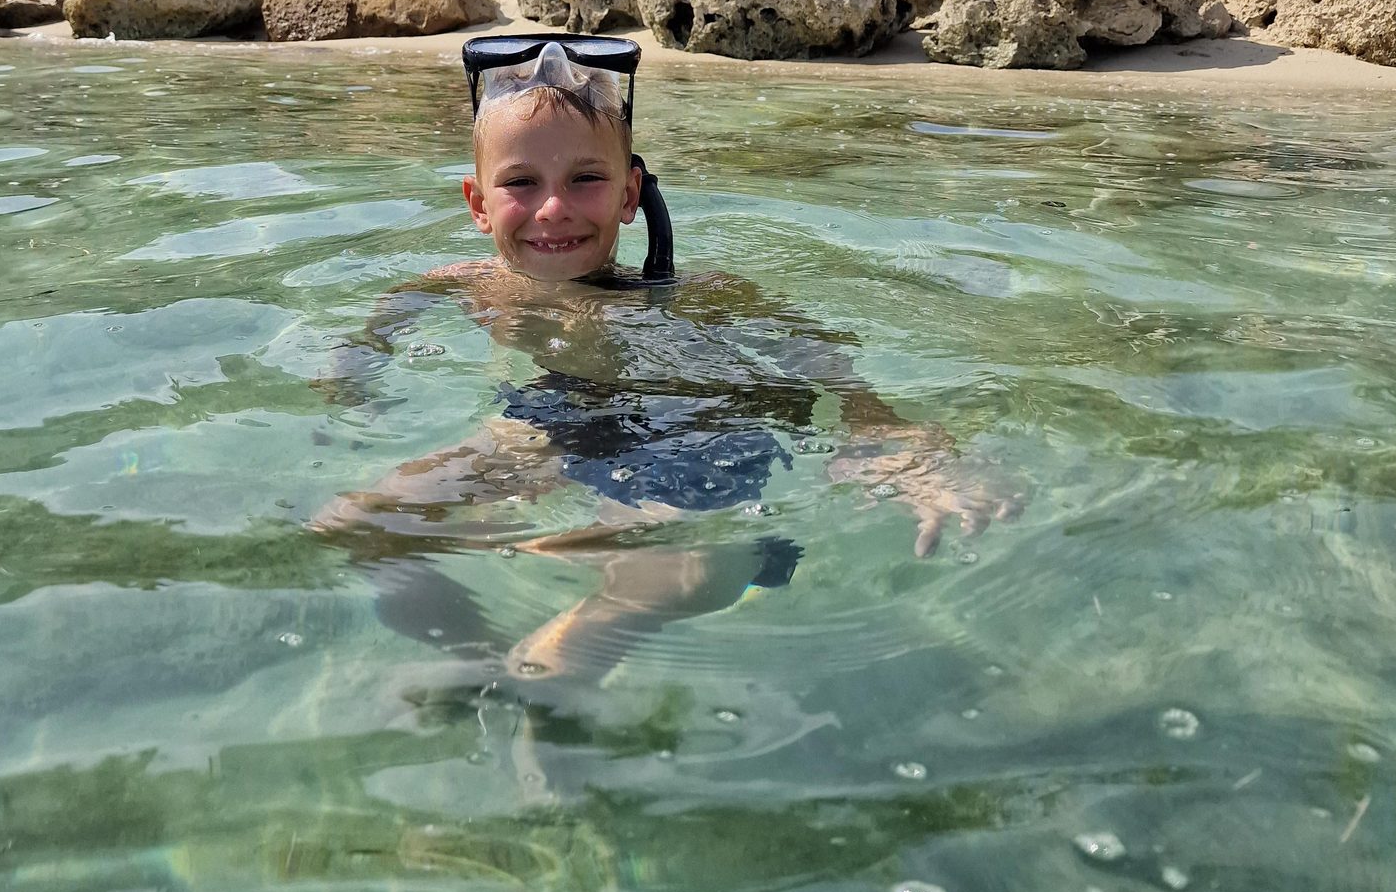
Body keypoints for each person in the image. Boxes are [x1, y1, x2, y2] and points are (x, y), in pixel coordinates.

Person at [312, 37, 1015, 685]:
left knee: (677, 568)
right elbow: (388, 315)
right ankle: (488, 667)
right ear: (477, 202)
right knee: (359, 523)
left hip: (687, 436)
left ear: (628, 195)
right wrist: (354, 367)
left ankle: (569, 662)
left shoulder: (699, 295)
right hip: (545, 425)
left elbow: (829, 365)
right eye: (521, 182)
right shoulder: (465, 283)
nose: (552, 207)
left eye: (584, 178)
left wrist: (898, 444)